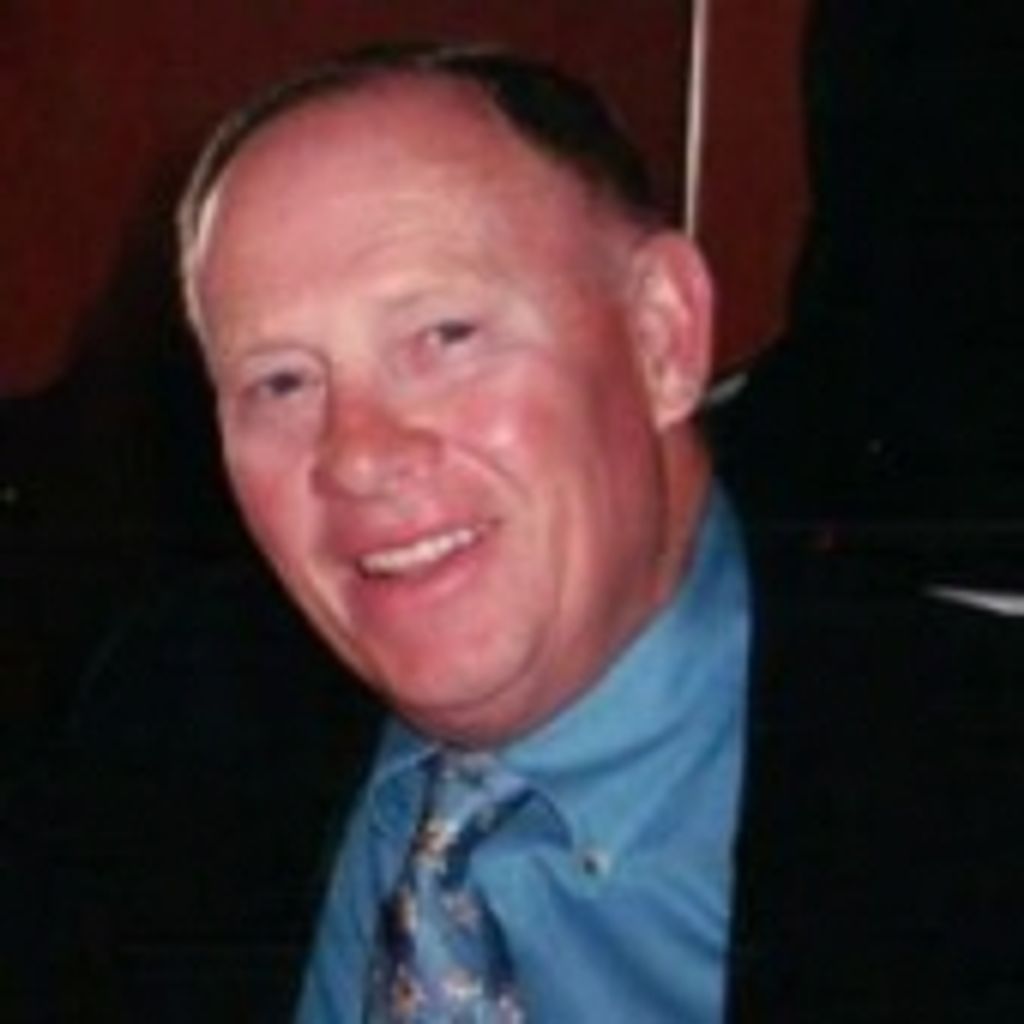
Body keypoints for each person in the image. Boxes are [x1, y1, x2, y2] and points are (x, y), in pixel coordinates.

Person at [176, 43, 1023, 1023]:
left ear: (661, 337)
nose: (356, 455)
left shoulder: (977, 795)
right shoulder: (170, 728)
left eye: (446, 337)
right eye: (281, 381)